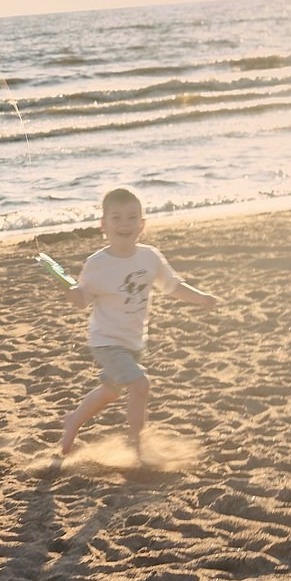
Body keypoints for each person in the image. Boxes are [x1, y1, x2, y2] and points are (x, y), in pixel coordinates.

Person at [60, 187, 219, 458]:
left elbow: (173, 285)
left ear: (142, 224)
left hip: (133, 341)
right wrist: (65, 285)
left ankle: (73, 420)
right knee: (140, 385)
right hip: (106, 342)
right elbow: (81, 300)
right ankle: (136, 445)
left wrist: (200, 298)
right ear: (103, 225)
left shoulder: (149, 256)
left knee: (110, 391)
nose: (125, 224)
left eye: (132, 217)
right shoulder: (97, 263)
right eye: (117, 218)